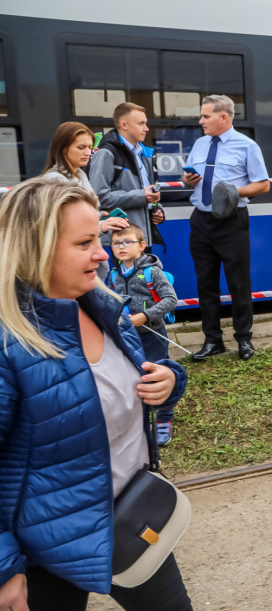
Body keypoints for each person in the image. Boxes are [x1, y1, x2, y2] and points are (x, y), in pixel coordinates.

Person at [0, 179, 191, 611]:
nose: (104, 254)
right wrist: (4, 568)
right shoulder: (8, 343)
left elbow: (128, 388)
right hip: (46, 550)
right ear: (35, 249)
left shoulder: (105, 307)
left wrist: (168, 381)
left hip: (131, 515)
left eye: (99, 240)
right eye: (84, 243)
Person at [181, 95, 269, 361]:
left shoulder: (247, 146)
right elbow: (188, 181)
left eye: (205, 116)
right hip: (201, 221)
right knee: (205, 283)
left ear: (223, 117)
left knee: (238, 283)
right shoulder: (200, 144)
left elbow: (263, 184)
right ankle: (213, 340)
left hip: (232, 220)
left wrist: (233, 192)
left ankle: (244, 339)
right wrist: (188, 180)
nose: (201, 121)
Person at [110, 222, 179, 445]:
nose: (121, 247)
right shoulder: (113, 274)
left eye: (127, 242)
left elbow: (171, 300)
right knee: (132, 377)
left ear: (142, 245)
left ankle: (164, 418)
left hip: (152, 335)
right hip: (126, 337)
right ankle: (139, 418)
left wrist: (146, 316)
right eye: (116, 243)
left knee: (157, 375)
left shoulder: (152, 272)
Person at [41, 121, 131, 281]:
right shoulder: (55, 180)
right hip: (70, 266)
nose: (88, 152)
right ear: (63, 148)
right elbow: (60, 226)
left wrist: (98, 216)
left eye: (90, 147)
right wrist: (100, 226)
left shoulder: (80, 176)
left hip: (83, 262)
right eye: (81, 147)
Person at [90, 103, 165, 251]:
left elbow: (146, 191)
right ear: (124, 125)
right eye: (141, 123)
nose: (146, 128)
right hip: (121, 241)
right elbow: (99, 198)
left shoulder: (144, 153)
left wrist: (157, 210)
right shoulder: (106, 153)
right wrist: (142, 196)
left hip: (141, 237)